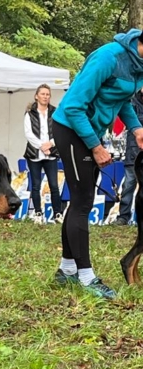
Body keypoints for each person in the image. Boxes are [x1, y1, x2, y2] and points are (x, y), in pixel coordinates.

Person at [52, 28, 143, 300]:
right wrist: (95, 146)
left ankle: (66, 270)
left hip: (89, 131)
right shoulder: (108, 58)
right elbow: (74, 106)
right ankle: (86, 276)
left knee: (80, 200)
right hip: (71, 128)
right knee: (82, 202)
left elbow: (121, 100)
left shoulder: (138, 66)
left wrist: (137, 129)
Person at [23, 84, 63, 225]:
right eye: (43, 94)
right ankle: (38, 213)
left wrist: (50, 144)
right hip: (35, 153)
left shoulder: (55, 112)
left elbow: (60, 131)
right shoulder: (30, 113)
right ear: (36, 96)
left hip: (51, 153)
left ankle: (57, 213)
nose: (45, 96)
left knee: (54, 185)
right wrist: (41, 146)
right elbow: (28, 133)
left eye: (48, 94)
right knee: (36, 185)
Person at [113, 87, 143, 225]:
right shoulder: (131, 101)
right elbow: (129, 122)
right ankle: (123, 217)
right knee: (128, 186)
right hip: (133, 152)